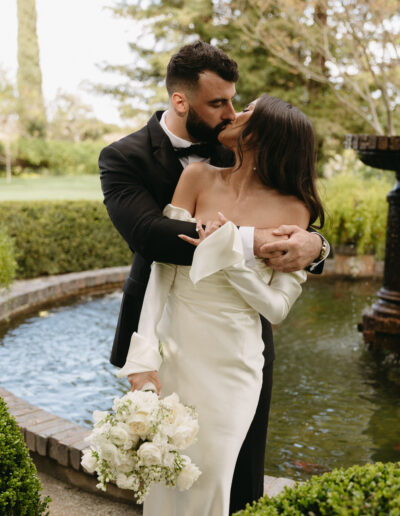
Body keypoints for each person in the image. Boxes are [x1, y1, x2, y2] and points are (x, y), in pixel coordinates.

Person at [99, 41, 329, 513]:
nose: (229, 115)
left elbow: (291, 249)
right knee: (166, 469)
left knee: (235, 477)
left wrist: (318, 246)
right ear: (181, 101)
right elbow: (150, 238)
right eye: (219, 103)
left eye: (235, 103)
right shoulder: (126, 157)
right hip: (173, 338)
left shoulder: (228, 145)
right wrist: (249, 242)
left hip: (239, 348)